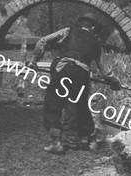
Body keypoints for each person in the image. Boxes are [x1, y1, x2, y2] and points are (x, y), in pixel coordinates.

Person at [28, 11, 122, 155]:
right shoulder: (96, 43)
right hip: (82, 75)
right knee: (81, 105)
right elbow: (105, 69)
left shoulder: (68, 31)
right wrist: (114, 82)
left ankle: (57, 143)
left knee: (53, 103)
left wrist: (34, 60)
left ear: (82, 24)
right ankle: (91, 141)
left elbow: (43, 41)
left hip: (64, 70)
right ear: (93, 28)